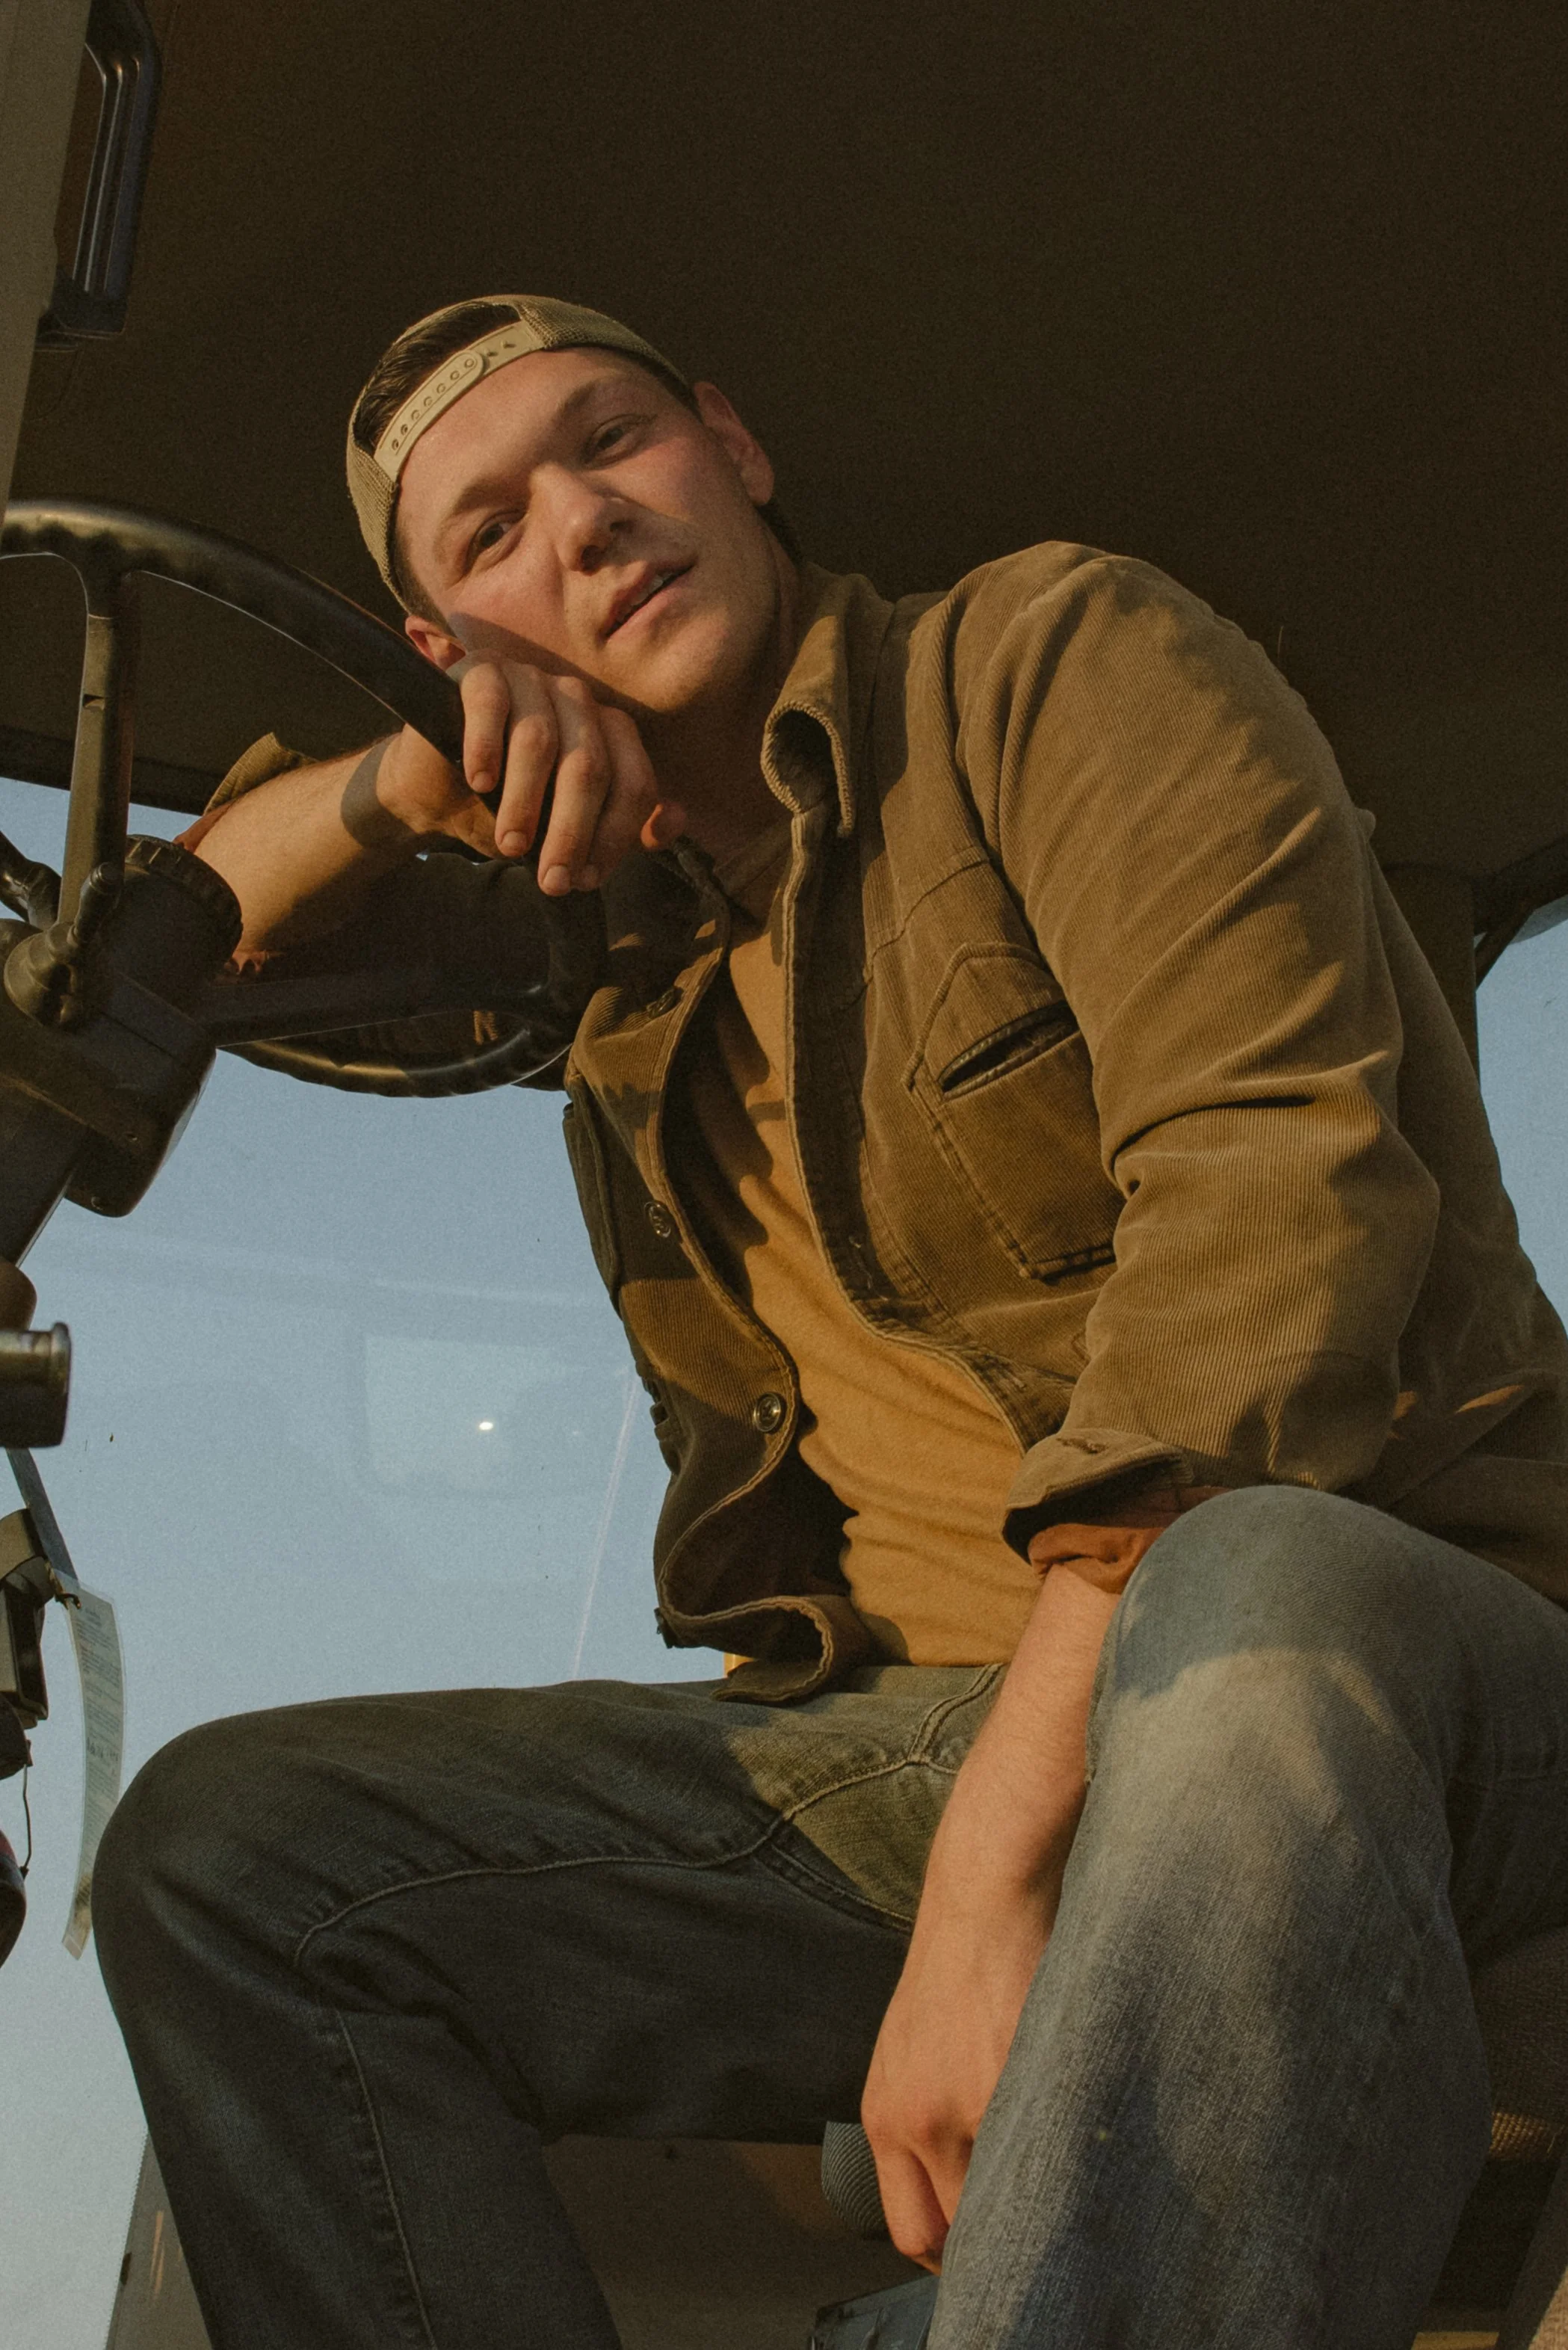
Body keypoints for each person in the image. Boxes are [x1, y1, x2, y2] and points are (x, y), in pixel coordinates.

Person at [92, 295, 1568, 2350]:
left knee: (1258, 1585)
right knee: (237, 1864)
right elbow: (126, 964)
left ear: (732, 442)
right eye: (491, 536)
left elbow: (1274, 1189)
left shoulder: (1056, 661)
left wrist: (988, 1886)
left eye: (611, 444)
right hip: (924, 1732)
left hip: (1400, 1707)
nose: (586, 528)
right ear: (451, 649)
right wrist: (397, 786)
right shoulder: (597, 932)